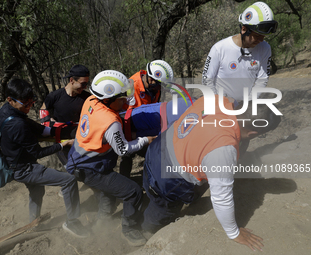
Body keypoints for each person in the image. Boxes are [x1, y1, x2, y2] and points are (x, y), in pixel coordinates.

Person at [141, 95, 281, 251]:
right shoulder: (223, 149)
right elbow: (221, 197)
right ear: (253, 133)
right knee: (164, 207)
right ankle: (150, 230)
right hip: (168, 178)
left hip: (160, 146)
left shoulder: (219, 99)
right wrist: (233, 232)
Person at [66, 70, 156, 246]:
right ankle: (129, 229)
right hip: (90, 168)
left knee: (109, 191)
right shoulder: (110, 122)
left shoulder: (91, 100)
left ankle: (103, 222)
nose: (126, 100)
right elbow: (123, 149)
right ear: (109, 99)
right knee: (133, 192)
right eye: (122, 98)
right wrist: (146, 140)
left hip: (79, 160)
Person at [0, 78, 89, 237]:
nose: (28, 107)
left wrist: (54, 131)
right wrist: (62, 144)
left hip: (13, 162)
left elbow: (31, 124)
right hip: (24, 169)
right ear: (10, 100)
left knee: (37, 191)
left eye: (31, 103)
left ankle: (34, 222)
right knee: (68, 180)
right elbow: (38, 153)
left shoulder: (7, 111)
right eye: (25, 104)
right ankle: (73, 222)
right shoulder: (17, 125)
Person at [202, 1, 278, 102]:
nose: (261, 40)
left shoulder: (265, 48)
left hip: (245, 109)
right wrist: (221, 104)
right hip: (219, 109)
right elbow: (206, 80)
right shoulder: (219, 48)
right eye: (257, 36)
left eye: (264, 36)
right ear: (244, 29)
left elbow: (262, 80)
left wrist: (247, 104)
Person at [120, 60, 174, 177]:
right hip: (128, 124)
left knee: (155, 151)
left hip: (146, 123)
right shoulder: (130, 86)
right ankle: (125, 181)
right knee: (128, 155)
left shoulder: (155, 88)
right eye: (159, 85)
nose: (160, 88)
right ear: (151, 79)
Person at [40, 64, 91, 171]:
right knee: (71, 170)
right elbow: (43, 111)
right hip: (62, 143)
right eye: (83, 84)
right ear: (72, 80)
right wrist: (50, 122)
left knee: (86, 169)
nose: (85, 87)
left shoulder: (87, 97)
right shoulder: (54, 96)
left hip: (81, 141)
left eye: (86, 84)